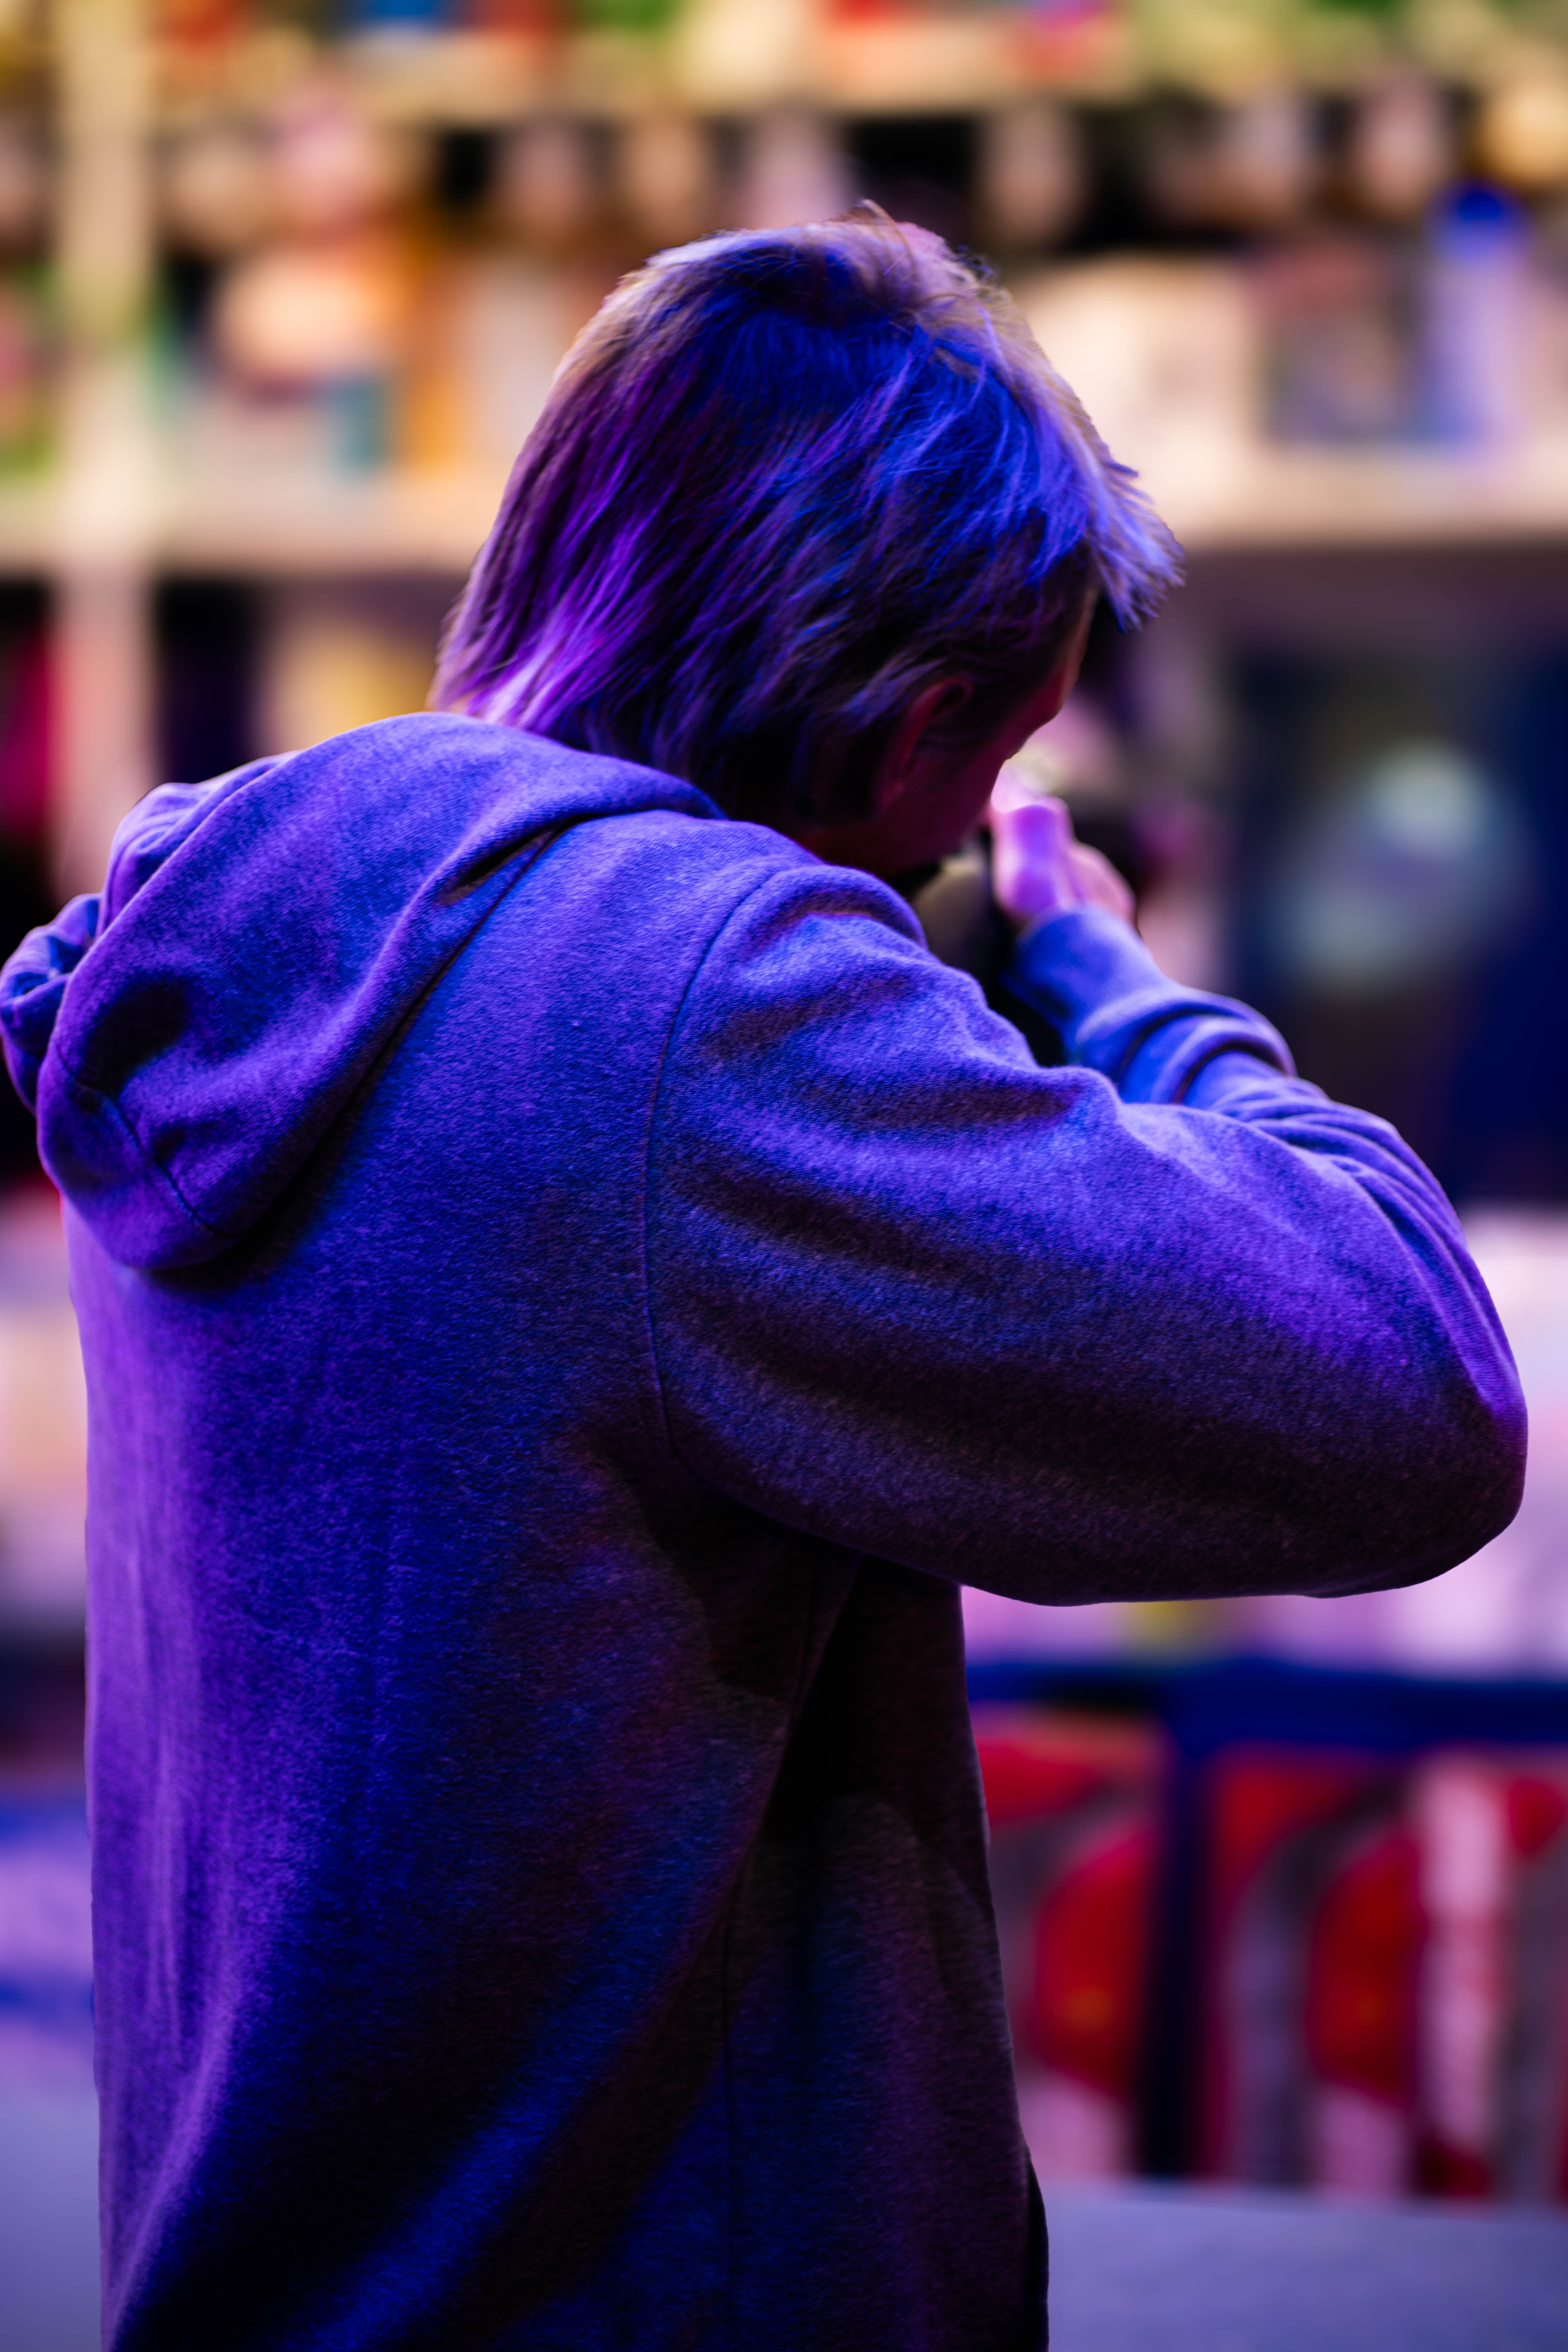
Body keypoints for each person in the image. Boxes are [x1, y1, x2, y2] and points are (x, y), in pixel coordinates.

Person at [1, 211, 1524, 2352]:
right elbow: (1410, 1387)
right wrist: (1108, 977)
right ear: (905, 733)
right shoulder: (695, 1010)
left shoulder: (241, 924)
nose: (960, 829)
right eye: (989, 756)